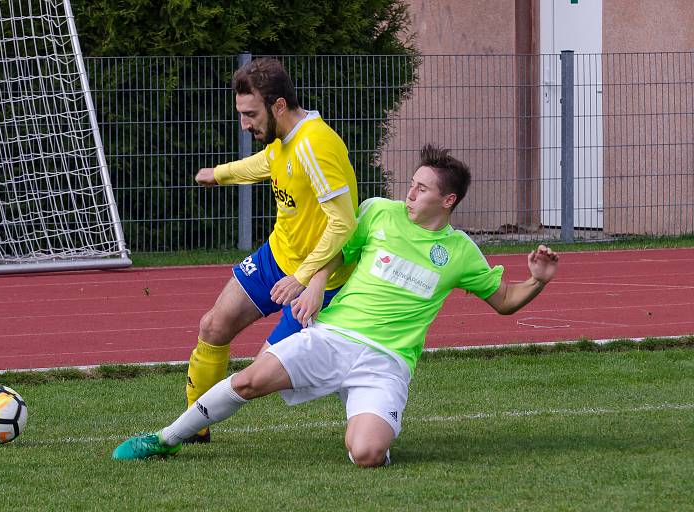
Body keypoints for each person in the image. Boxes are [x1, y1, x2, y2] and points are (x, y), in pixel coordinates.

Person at [116, 145, 558, 466]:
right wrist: (315, 283)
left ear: (448, 201)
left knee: (365, 454)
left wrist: (536, 282)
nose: (409, 194)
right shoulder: (378, 213)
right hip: (334, 336)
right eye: (411, 184)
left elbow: (504, 301)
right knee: (251, 379)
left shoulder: (460, 252)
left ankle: (372, 436)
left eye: (421, 189)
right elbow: (336, 249)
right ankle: (166, 438)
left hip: (387, 361)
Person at [182, 58, 359, 443]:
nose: (245, 124)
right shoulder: (284, 140)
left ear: (278, 106)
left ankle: (354, 380)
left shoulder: (316, 144)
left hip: (316, 280)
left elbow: (344, 223)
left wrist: (302, 278)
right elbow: (269, 163)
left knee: (261, 373)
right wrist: (220, 174)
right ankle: (196, 428)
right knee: (213, 326)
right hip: (275, 257)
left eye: (250, 114)